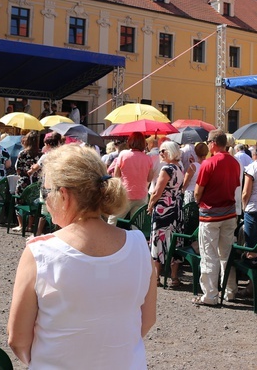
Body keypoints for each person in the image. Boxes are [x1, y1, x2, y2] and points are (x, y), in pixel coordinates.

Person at [8, 144, 156, 368]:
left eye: (46, 192)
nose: (45, 201)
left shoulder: (40, 253)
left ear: (64, 195)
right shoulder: (139, 246)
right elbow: (147, 320)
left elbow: (18, 339)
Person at [193, 130, 240, 306]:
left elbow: (198, 191)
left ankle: (211, 295)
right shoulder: (234, 162)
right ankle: (230, 290)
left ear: (213, 143)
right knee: (226, 253)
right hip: (229, 212)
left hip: (210, 214)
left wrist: (198, 201)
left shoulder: (209, 163)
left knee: (209, 254)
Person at [147, 141, 184, 287]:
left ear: (169, 152)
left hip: (164, 209)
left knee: (158, 240)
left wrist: (150, 205)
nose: (160, 154)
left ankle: (156, 277)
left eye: (163, 151)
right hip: (176, 208)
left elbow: (157, 191)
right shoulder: (179, 168)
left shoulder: (167, 169)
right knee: (174, 241)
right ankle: (174, 277)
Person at [109, 132, 153, 225]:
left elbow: (116, 175)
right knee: (137, 223)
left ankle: (107, 238)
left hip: (126, 193)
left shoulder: (123, 155)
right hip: (142, 194)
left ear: (130, 142)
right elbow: (149, 178)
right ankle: (135, 238)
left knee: (113, 219)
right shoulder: (148, 158)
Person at [12, 132, 41, 233]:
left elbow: (18, 168)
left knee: (19, 201)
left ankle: (21, 225)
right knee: (33, 202)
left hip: (24, 181)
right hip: (36, 183)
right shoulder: (41, 154)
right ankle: (29, 225)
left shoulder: (23, 153)